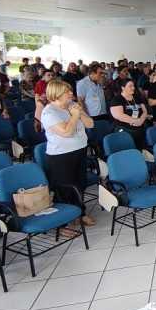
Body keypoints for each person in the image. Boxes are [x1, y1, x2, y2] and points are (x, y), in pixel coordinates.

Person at [40, 79, 95, 229]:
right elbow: (66, 132)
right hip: (61, 156)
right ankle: (63, 224)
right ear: (56, 94)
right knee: (64, 190)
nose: (71, 93)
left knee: (80, 184)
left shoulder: (72, 106)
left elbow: (90, 124)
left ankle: (80, 213)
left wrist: (80, 112)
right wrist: (75, 115)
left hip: (80, 151)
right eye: (67, 91)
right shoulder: (49, 112)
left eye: (70, 90)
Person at [109, 79, 148, 149]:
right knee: (128, 150)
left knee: (140, 149)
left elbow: (144, 111)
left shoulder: (137, 97)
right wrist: (136, 121)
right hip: (125, 131)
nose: (133, 88)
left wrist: (141, 120)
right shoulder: (117, 99)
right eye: (130, 86)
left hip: (139, 130)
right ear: (123, 88)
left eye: (133, 86)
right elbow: (119, 115)